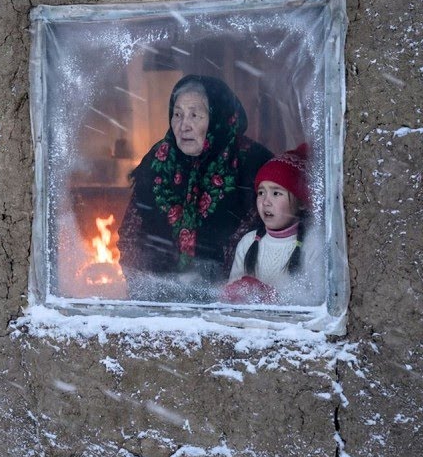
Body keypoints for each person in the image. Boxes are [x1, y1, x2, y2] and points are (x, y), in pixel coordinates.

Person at [117, 74, 273, 302]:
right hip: (160, 299)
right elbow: (131, 235)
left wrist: (219, 291)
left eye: (195, 115)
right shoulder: (159, 160)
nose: (183, 126)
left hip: (229, 303)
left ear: (218, 116)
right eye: (177, 114)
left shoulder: (250, 162)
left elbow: (269, 234)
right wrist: (148, 288)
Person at [222, 144, 322, 305]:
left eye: (276, 193)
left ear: (302, 202)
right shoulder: (249, 241)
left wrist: (269, 295)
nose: (266, 202)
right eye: (261, 192)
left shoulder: (313, 243)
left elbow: (318, 298)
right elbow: (232, 300)